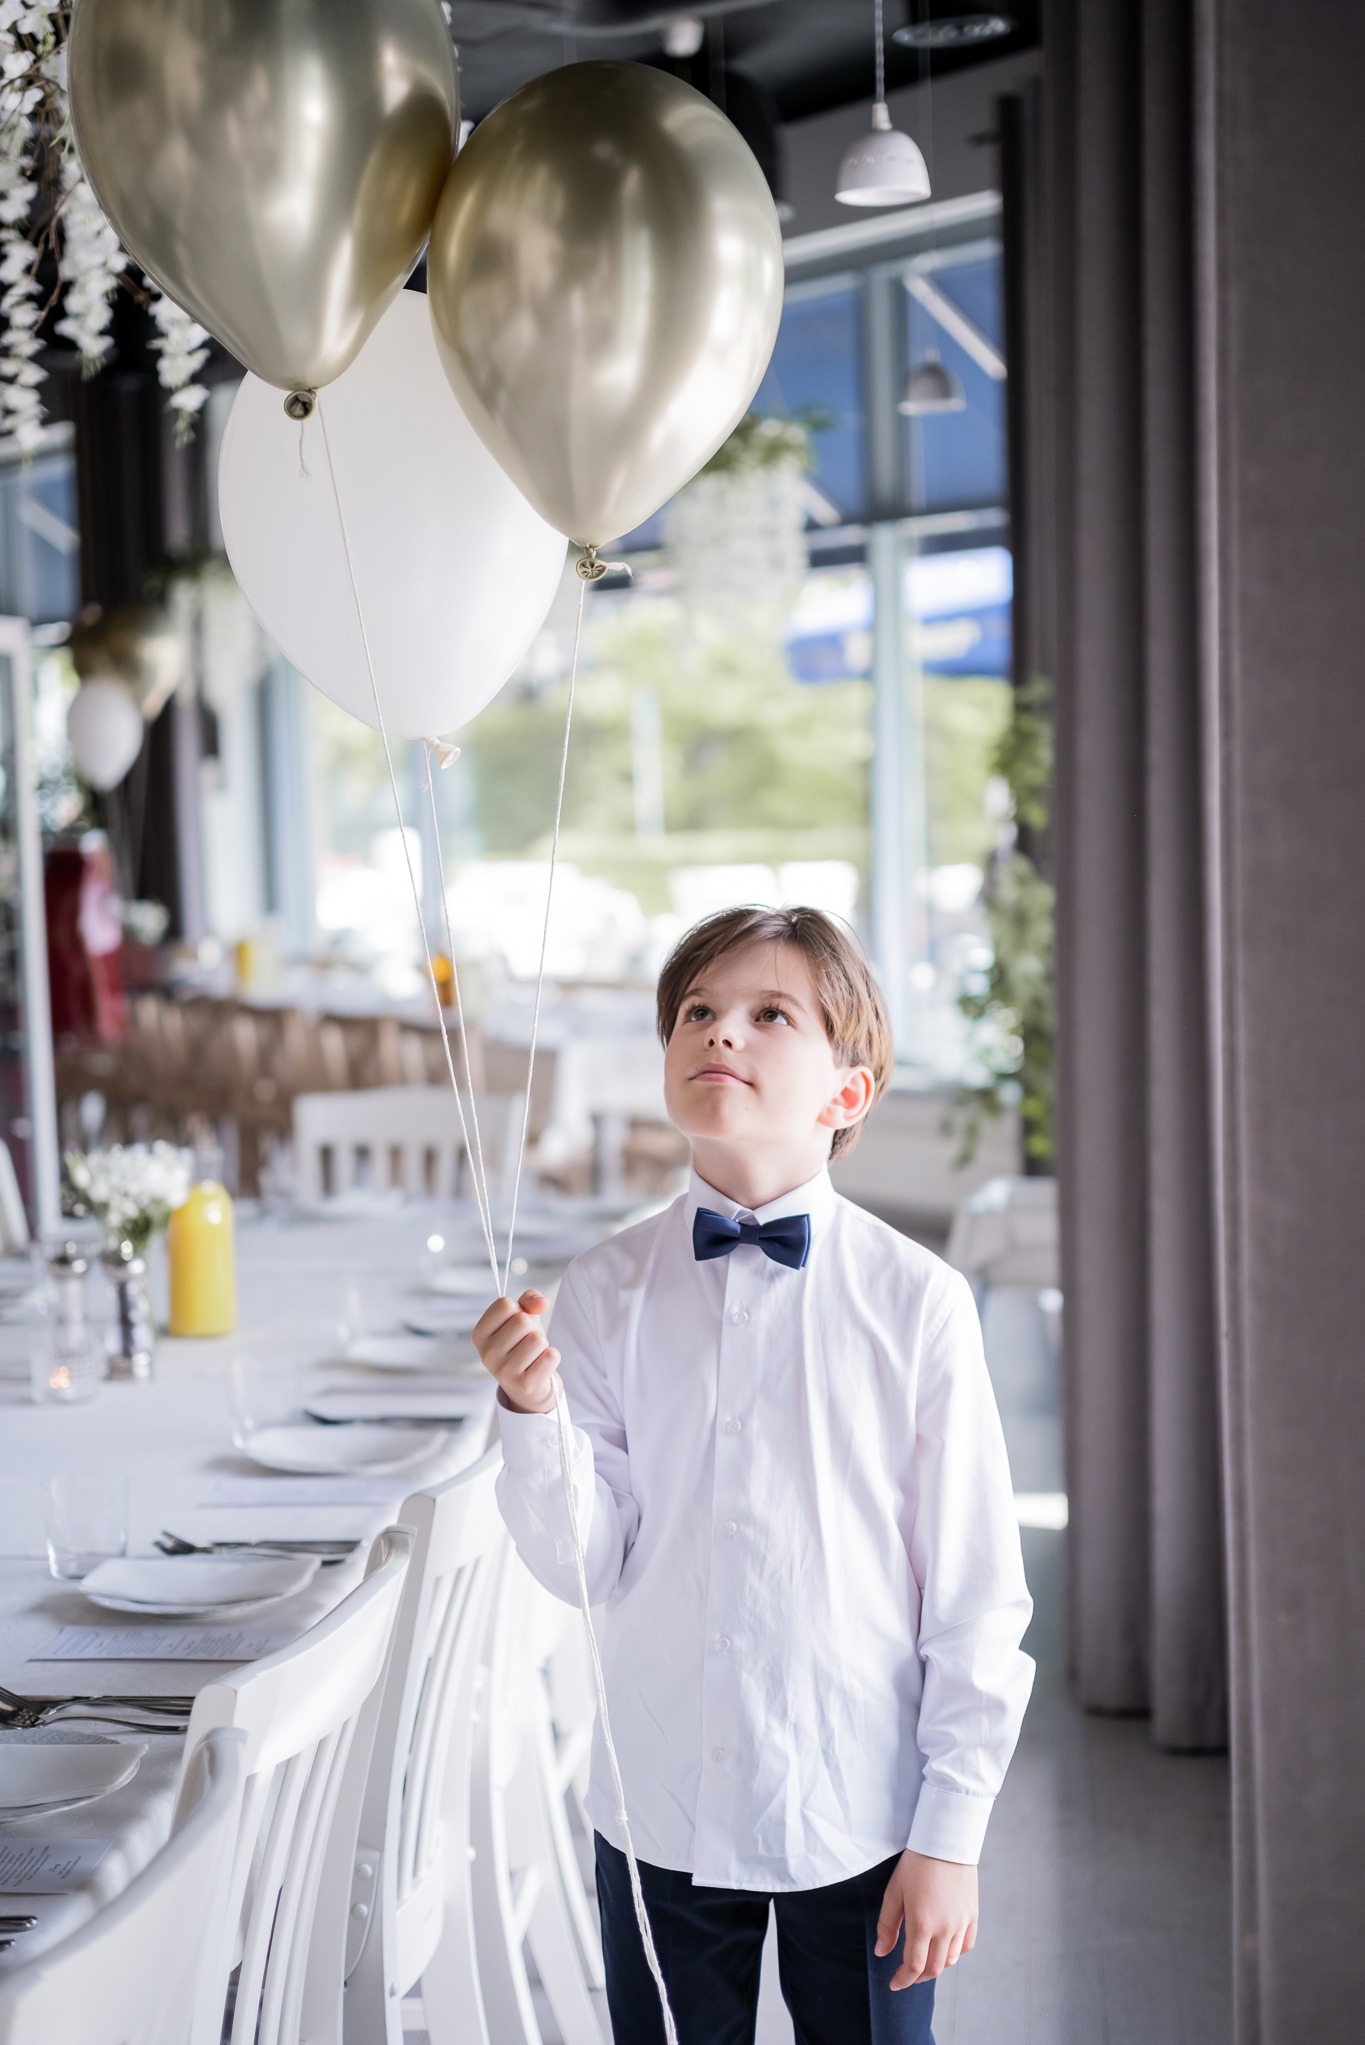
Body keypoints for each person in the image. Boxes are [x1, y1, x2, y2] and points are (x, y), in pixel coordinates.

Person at [474, 905, 1034, 2045]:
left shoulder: (917, 1302)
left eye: (769, 1013)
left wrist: (951, 1832)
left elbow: (976, 1592)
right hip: (662, 1802)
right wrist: (533, 1415)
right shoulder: (604, 1289)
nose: (719, 1030)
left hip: (862, 1805)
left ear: (847, 1093)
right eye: (696, 1011)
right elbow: (585, 1562)